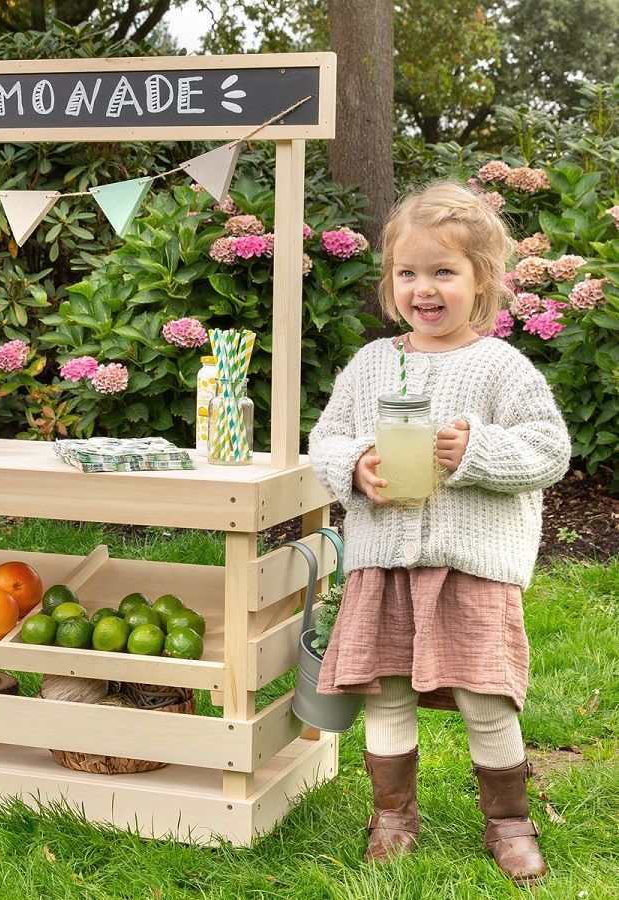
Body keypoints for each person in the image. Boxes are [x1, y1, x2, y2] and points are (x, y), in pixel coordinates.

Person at [308, 181, 570, 884]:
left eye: (443, 271)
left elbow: (549, 451)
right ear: (390, 281)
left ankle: (509, 822)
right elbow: (326, 439)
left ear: (481, 281)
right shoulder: (371, 364)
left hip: (469, 564)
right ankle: (393, 817)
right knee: (387, 690)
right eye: (408, 272)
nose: (424, 288)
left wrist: (474, 451)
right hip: (382, 562)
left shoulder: (501, 367)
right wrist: (354, 466)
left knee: (485, 694)